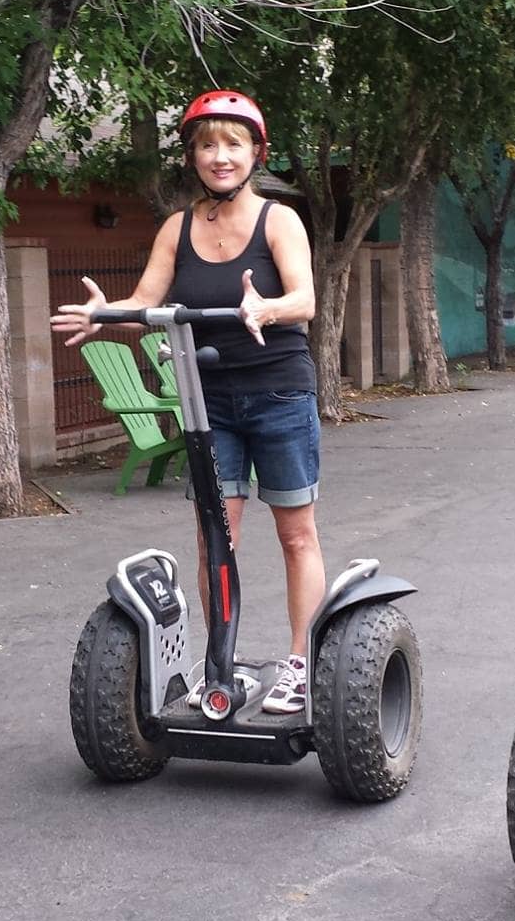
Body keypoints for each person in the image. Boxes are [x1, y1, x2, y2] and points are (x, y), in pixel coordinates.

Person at [51, 89, 322, 714]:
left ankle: (301, 663)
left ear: (256, 151)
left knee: (296, 535)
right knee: (215, 537)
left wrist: (268, 306)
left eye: (232, 143)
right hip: (209, 402)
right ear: (193, 156)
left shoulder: (278, 220)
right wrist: (104, 315)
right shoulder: (176, 228)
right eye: (207, 145)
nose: (219, 156)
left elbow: (304, 300)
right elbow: (146, 305)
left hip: (279, 391)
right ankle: (220, 662)